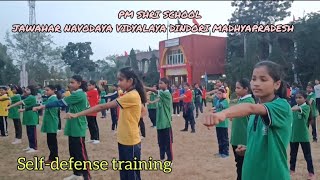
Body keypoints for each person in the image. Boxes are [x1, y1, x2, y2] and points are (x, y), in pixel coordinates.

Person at [204, 61, 293, 180]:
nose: (256, 84)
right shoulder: (254, 113)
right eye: (254, 79)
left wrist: (223, 114)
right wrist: (249, 149)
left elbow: (249, 108)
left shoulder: (282, 106)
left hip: (271, 175)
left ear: (277, 84)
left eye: (263, 79)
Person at [65, 67, 147, 180]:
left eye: (121, 80)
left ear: (130, 81)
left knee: (131, 175)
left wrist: (77, 114)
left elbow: (102, 106)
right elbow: (143, 111)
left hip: (130, 142)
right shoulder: (129, 93)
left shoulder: (131, 95)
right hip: (124, 139)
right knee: (125, 173)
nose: (118, 83)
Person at [33, 75, 90, 180]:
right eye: (70, 82)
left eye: (72, 82)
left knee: (80, 153)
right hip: (73, 126)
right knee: (73, 152)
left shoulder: (79, 95)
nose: (70, 84)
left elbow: (60, 102)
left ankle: (86, 176)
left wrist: (43, 106)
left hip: (78, 126)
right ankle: (77, 174)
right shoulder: (76, 94)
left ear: (79, 83)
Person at [27, 85, 59, 163]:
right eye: (45, 90)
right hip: (50, 122)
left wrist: (38, 107)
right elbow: (40, 104)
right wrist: (26, 109)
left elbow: (42, 105)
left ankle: (53, 158)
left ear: (53, 90)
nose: (46, 92)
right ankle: (52, 157)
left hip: (52, 122)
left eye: (47, 90)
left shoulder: (53, 99)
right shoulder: (50, 98)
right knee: (51, 141)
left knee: (52, 142)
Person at [230, 79, 255, 180]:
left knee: (244, 165)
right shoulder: (240, 100)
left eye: (238, 88)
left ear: (246, 89)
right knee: (239, 164)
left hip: (244, 140)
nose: (236, 90)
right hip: (236, 138)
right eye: (236, 87)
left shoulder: (249, 102)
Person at [145, 78, 173, 162]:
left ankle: (169, 159)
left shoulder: (167, 94)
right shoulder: (161, 95)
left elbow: (155, 91)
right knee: (160, 142)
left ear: (167, 84)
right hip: (160, 123)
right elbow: (157, 97)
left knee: (168, 143)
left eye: (161, 83)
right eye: (159, 83)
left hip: (166, 123)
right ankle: (162, 158)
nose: (159, 85)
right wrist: (151, 101)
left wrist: (143, 86)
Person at [290, 91, 315, 180]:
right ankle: (292, 170)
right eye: (296, 97)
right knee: (292, 154)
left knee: (307, 155)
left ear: (305, 99)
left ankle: (311, 173)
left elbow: (296, 109)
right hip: (293, 135)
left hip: (303, 135)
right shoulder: (294, 107)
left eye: (300, 97)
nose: (297, 99)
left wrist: (291, 109)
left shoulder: (306, 107)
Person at [7, 85, 39, 153]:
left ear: (31, 91)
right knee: (29, 132)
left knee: (32, 133)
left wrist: (10, 106)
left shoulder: (31, 97)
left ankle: (34, 147)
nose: (25, 90)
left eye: (27, 89)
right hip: (28, 117)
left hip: (32, 117)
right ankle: (30, 146)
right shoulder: (29, 97)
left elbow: (20, 102)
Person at [213, 88, 230, 158]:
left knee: (224, 138)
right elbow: (216, 108)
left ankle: (225, 153)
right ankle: (220, 152)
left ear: (223, 94)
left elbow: (219, 106)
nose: (218, 95)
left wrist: (214, 108)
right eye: (217, 93)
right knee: (219, 138)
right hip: (218, 123)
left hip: (224, 123)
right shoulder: (218, 101)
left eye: (220, 93)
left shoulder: (225, 101)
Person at [86, 80, 100, 144]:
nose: (88, 87)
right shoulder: (94, 91)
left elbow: (84, 94)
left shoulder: (93, 91)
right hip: (90, 110)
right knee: (91, 124)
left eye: (90, 85)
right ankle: (93, 138)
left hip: (92, 110)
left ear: (94, 85)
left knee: (93, 125)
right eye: (88, 85)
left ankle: (96, 138)